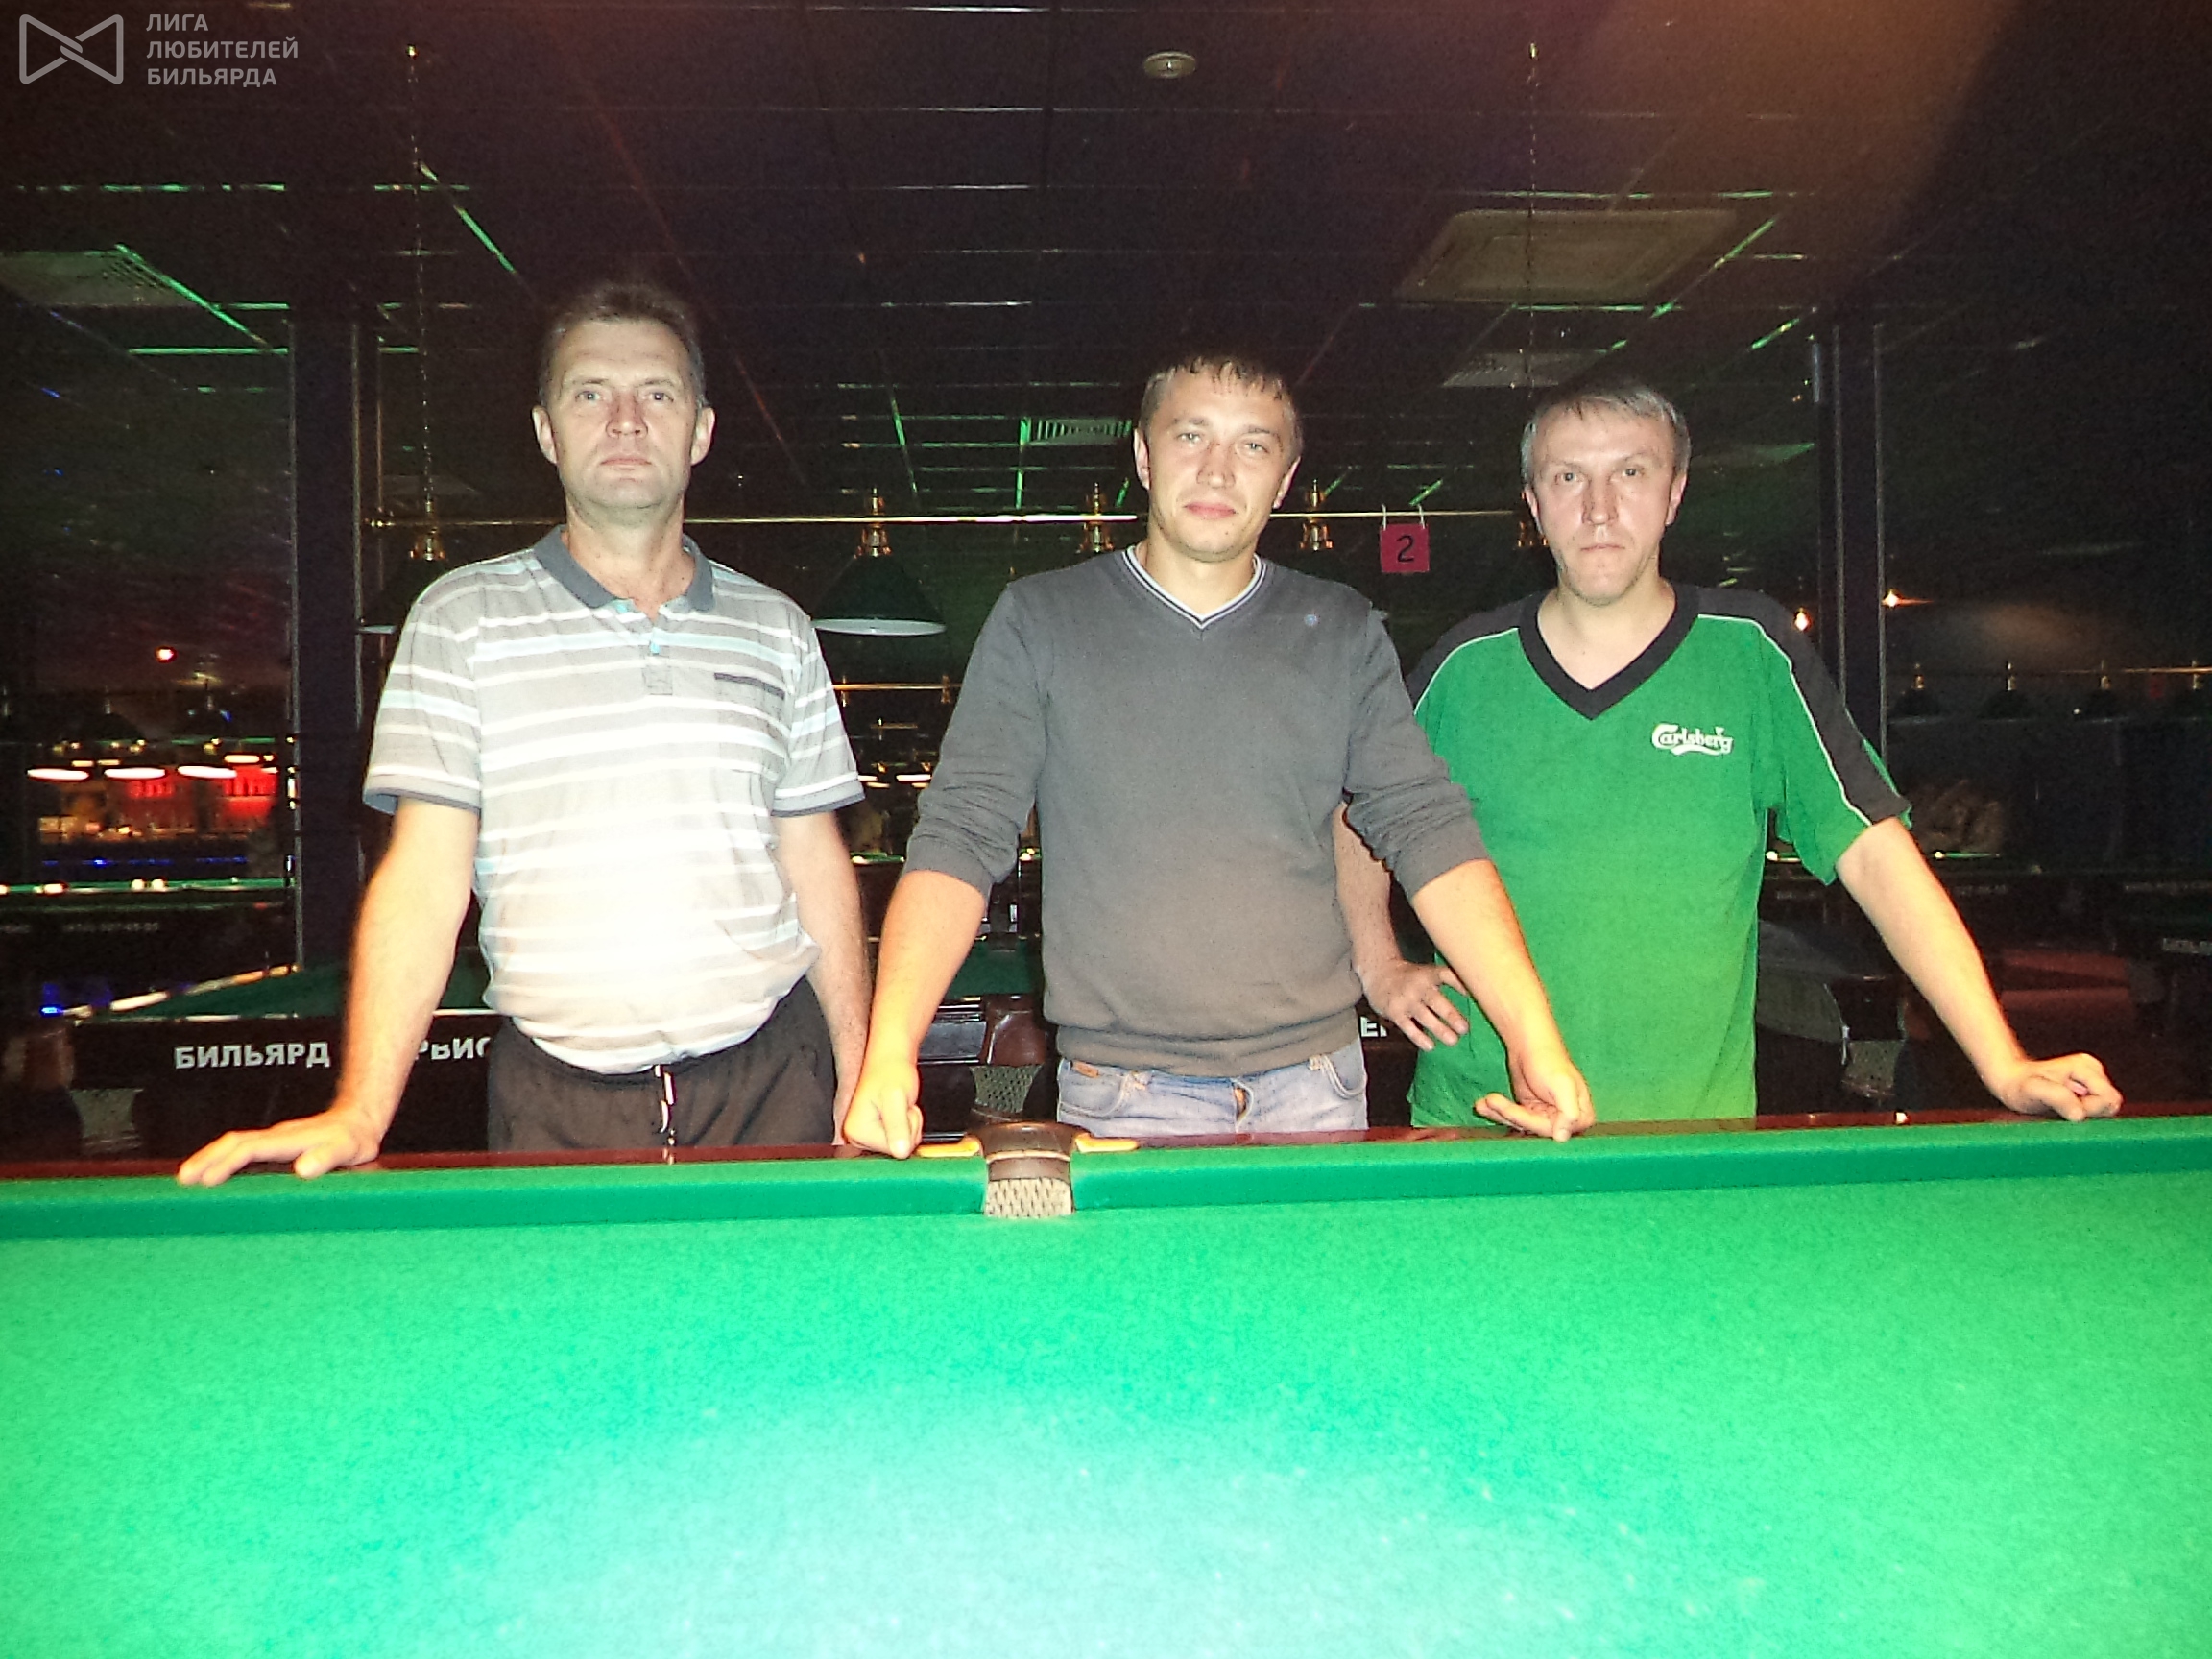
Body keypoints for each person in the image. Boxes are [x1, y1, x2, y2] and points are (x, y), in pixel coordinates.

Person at [180, 280, 870, 1184]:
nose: (625, 420)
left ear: (700, 431)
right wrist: (361, 1110)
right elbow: (423, 880)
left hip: (773, 1080)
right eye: (590, 393)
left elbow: (816, 863)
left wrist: (860, 1072)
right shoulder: (459, 619)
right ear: (547, 431)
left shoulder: (777, 627)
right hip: (555, 1101)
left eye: (657, 393)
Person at [838, 351, 1593, 1156]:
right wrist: (890, 1052)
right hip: (1122, 1096)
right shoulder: (1039, 619)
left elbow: (1426, 827)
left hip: (1318, 1089)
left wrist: (1532, 1038)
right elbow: (960, 836)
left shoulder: (1341, 628)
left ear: (1285, 478)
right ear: (1144, 455)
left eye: (1253, 445)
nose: (1218, 469)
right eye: (1192, 435)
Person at [1337, 375, 2121, 1125]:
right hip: (1483, 1116)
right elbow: (1357, 813)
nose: (1599, 509)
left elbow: (1877, 857)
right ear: (1534, 505)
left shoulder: (1753, 653)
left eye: (1631, 473)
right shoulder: (1464, 666)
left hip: (1689, 1129)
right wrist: (1378, 963)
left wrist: (2003, 1062)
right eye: (1568, 477)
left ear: (1675, 493)